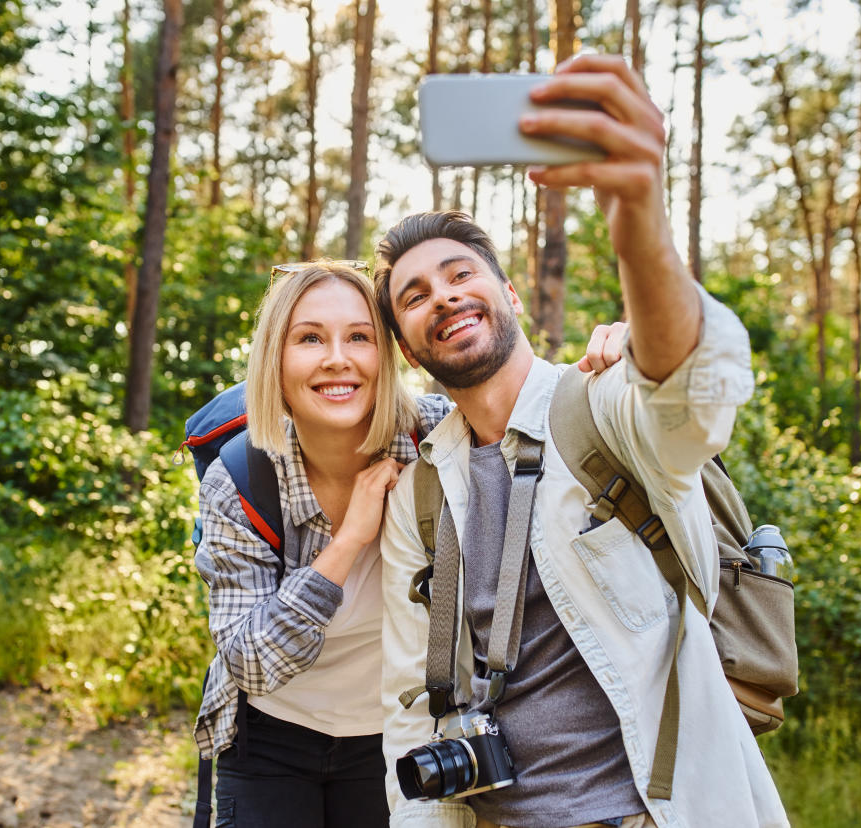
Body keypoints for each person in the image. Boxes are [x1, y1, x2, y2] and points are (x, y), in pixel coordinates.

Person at [372, 55, 789, 828]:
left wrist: (638, 222)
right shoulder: (421, 497)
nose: (445, 297)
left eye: (461, 274)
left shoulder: (601, 408)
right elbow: (410, 703)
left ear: (508, 293)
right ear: (406, 345)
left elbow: (691, 394)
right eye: (415, 296)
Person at [192, 260, 630, 828]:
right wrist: (348, 540)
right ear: (275, 359)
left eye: (359, 337)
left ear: (391, 355)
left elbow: (531, 415)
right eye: (309, 339)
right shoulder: (241, 477)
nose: (336, 359)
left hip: (397, 737)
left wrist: (615, 368)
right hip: (271, 737)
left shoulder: (436, 436)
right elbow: (250, 664)